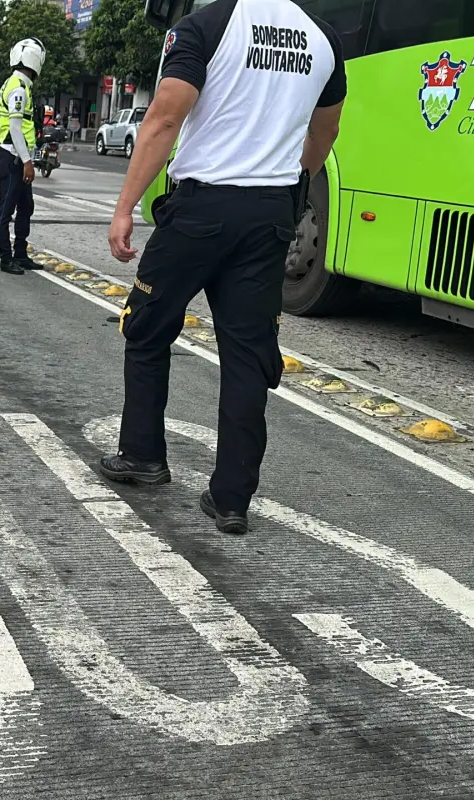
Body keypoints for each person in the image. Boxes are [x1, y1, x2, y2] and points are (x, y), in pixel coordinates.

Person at [98, 0, 346, 535]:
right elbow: (325, 133)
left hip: (201, 211)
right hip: (269, 218)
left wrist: (124, 208)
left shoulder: (205, 26)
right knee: (248, 355)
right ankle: (232, 498)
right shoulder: (323, 39)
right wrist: (290, 180)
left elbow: (165, 117)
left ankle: (142, 455)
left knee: (147, 327)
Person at [0, 37, 46, 277]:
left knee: (26, 207)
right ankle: (6, 259)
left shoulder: (20, 85)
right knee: (6, 211)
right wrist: (27, 162)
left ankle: (20, 254)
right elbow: (15, 128)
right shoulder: (18, 88)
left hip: (19, 158)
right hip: (13, 159)